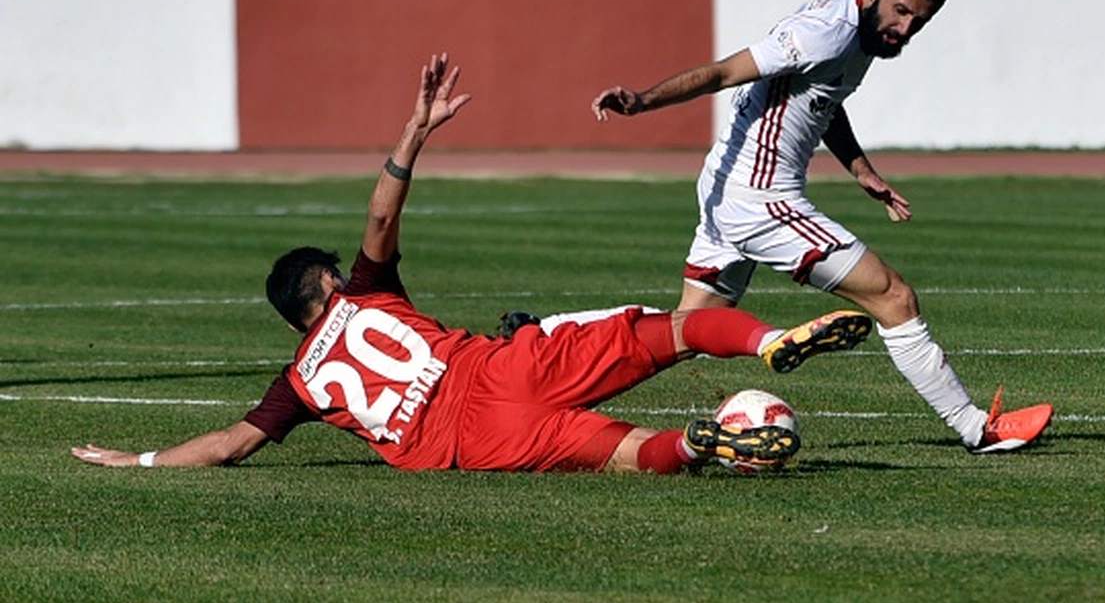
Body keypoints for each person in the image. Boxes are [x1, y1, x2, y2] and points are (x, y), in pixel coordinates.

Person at [71, 53, 869, 474]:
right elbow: (383, 212)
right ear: (331, 284)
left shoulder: (300, 382)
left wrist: (135, 459)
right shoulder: (366, 294)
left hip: (474, 443)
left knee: (620, 454)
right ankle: (765, 342)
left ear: (294, 321)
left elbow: (229, 445)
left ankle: (699, 447)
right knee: (676, 331)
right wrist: (417, 129)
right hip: (493, 372)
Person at [591, 0, 1052, 453]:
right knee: (893, 296)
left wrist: (861, 170)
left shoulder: (862, 32)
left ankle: (543, 338)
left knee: (682, 333)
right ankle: (976, 429)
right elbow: (725, 72)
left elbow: (825, 102)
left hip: (730, 193)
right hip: (761, 199)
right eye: (900, 11)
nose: (904, 30)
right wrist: (642, 100)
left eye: (917, 23)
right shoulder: (825, 33)